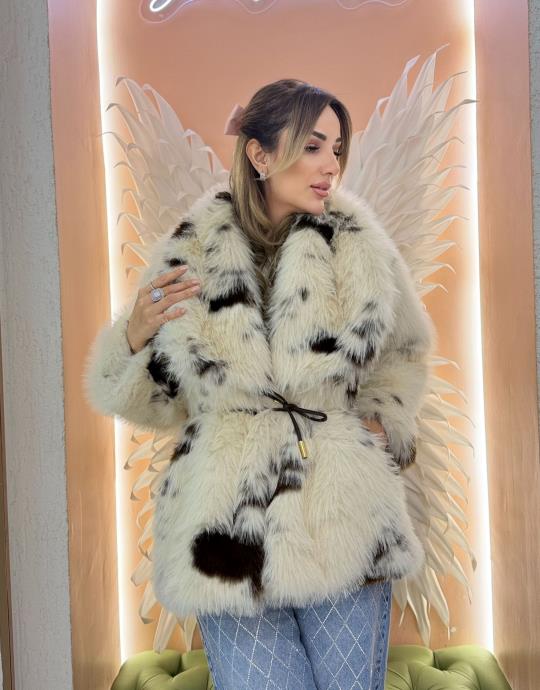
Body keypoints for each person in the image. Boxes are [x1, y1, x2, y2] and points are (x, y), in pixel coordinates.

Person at [83, 78, 435, 690]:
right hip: (228, 528)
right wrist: (133, 339)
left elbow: (405, 350)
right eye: (313, 147)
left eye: (337, 149)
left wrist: (383, 424)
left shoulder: (360, 246)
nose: (331, 166)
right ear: (260, 154)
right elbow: (156, 401)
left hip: (344, 515)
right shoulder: (191, 253)